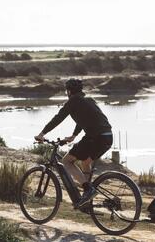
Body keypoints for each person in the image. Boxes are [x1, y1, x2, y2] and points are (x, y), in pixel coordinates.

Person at [35, 78, 113, 207]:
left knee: (66, 161)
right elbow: (85, 119)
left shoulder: (72, 102)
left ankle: (88, 190)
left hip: (95, 137)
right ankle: (86, 200)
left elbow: (58, 119)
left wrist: (42, 134)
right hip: (107, 137)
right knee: (86, 162)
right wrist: (74, 135)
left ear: (69, 91)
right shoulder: (89, 101)